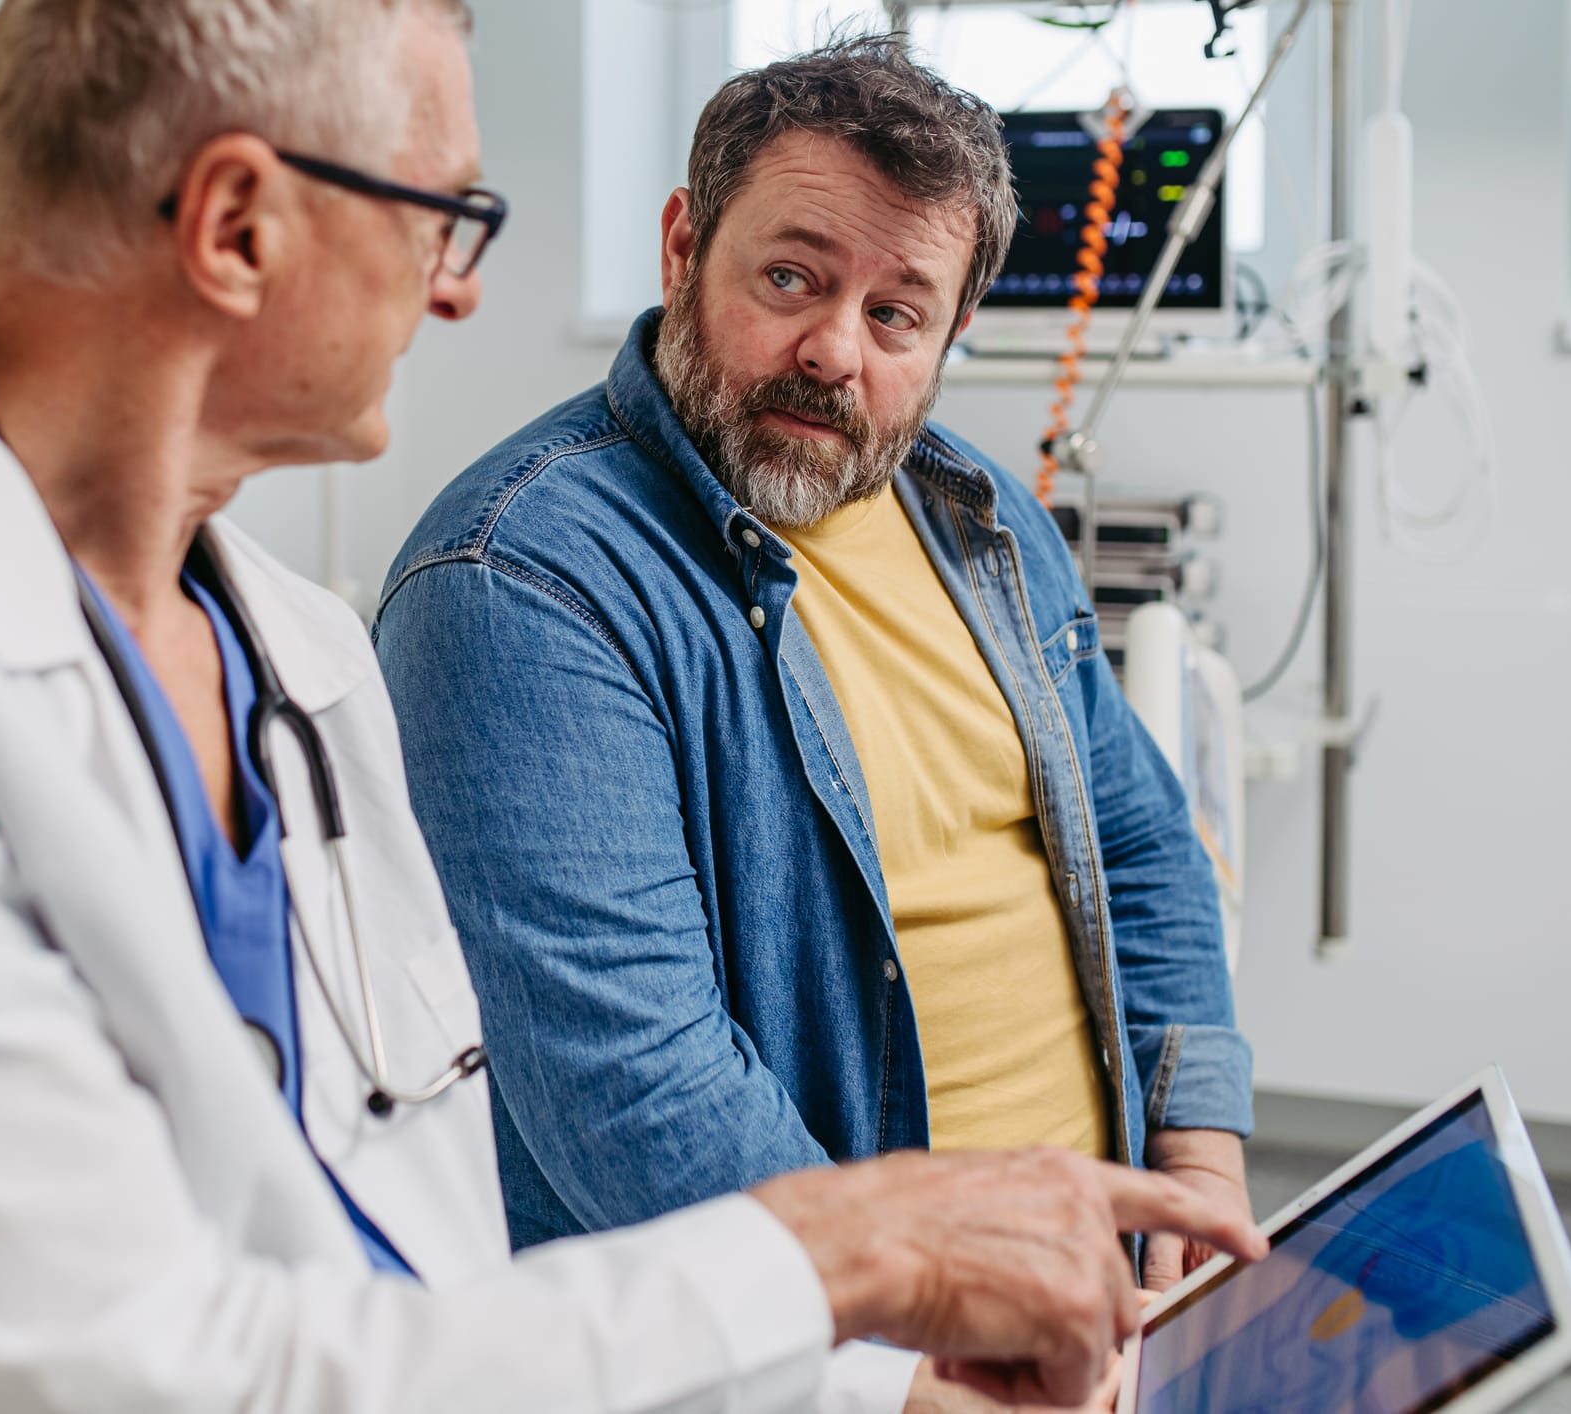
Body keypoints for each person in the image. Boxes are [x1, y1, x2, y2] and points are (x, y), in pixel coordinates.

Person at [0, 4, 1261, 1413]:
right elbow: (120, 1370)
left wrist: (874, 1384)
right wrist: (860, 1248)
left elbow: (421, 1263)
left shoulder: (298, 658)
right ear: (238, 223)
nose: (466, 283)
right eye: (447, 212)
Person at [373, 35, 1256, 1408]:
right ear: (682, 247)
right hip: (833, 1362)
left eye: (897, 314)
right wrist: (904, 1371)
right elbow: (634, 1085)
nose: (832, 352)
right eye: (789, 278)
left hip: (1099, 1319)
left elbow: (1141, 850)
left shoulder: (987, 526)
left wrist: (1193, 1204)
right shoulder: (518, 579)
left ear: (952, 333)